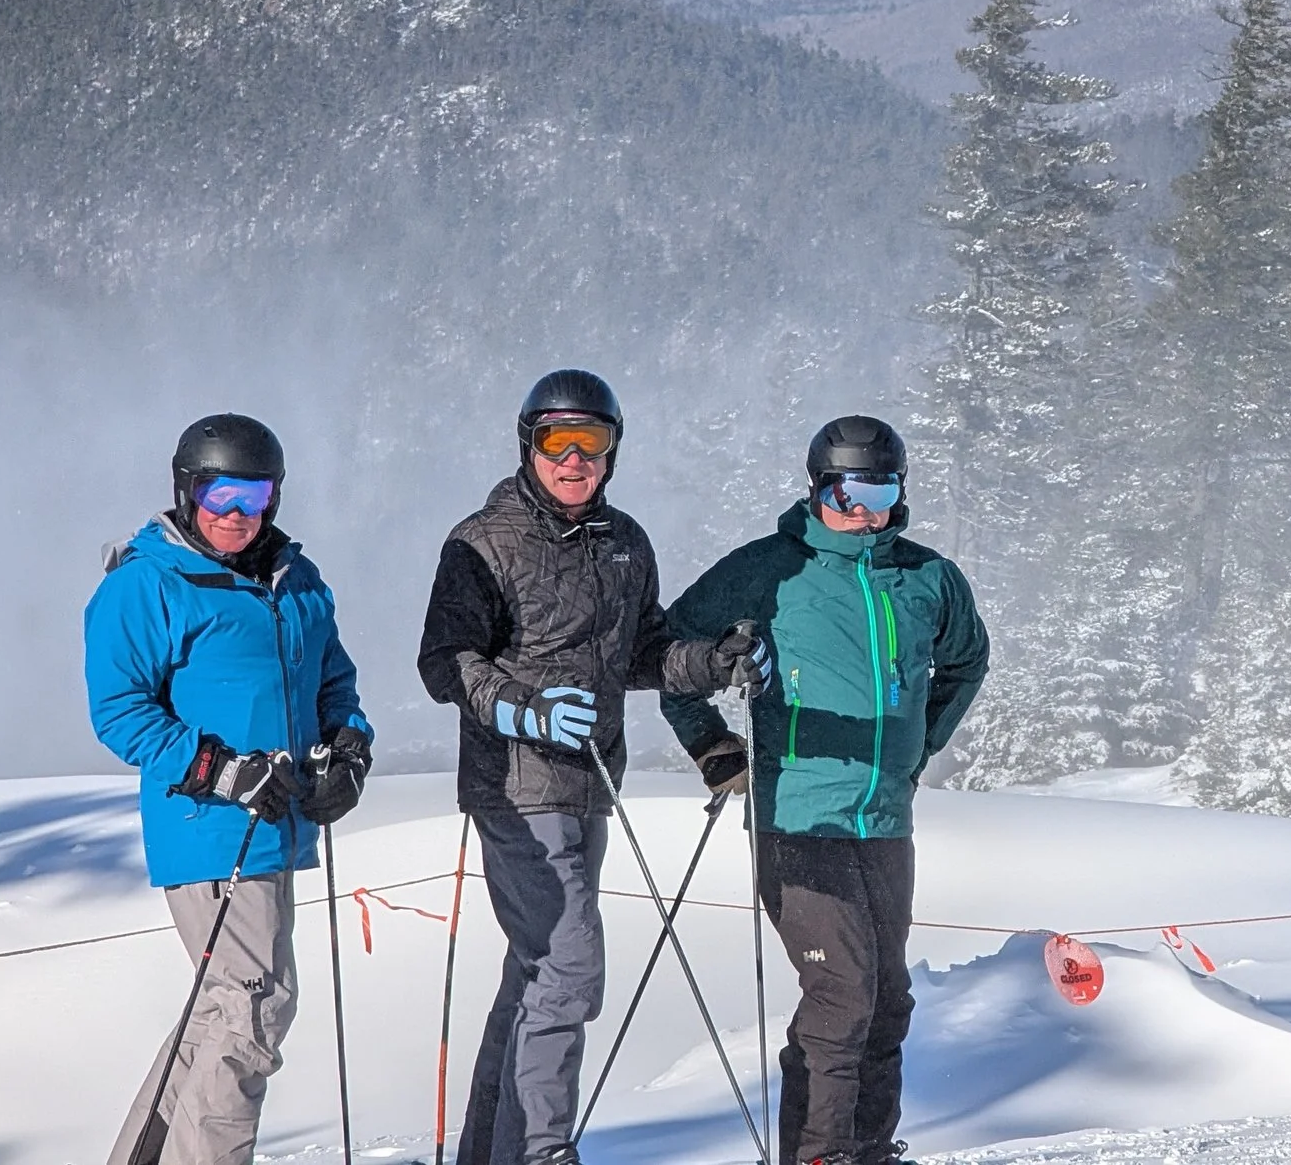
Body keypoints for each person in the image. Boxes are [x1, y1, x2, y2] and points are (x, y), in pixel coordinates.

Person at [417, 368, 763, 1165]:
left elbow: (642, 653)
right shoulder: (482, 541)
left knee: (536, 975)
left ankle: (492, 1152)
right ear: (528, 444)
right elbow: (444, 661)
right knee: (568, 967)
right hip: (513, 785)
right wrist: (521, 708)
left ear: (613, 452)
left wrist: (714, 662)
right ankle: (540, 1150)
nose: (575, 461)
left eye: (593, 444)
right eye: (557, 443)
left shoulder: (624, 542)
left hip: (591, 781)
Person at [663, 415, 989, 1165]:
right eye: (849, 490)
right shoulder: (767, 571)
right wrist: (714, 745)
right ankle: (819, 1154)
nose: (865, 507)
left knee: (886, 1002)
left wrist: (921, 745)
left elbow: (968, 663)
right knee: (841, 997)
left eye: (881, 488)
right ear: (818, 488)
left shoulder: (927, 577)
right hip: (798, 816)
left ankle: (868, 1150)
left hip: (882, 821)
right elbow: (669, 655)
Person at [86, 412, 373, 1165]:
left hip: (278, 825)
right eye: (220, 496)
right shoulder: (147, 585)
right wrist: (220, 769)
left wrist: (347, 750)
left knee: (222, 1014)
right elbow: (119, 712)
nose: (238, 514)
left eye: (255, 493)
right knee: (253, 1010)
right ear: (187, 492)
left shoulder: (295, 579)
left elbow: (333, 680)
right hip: (209, 828)